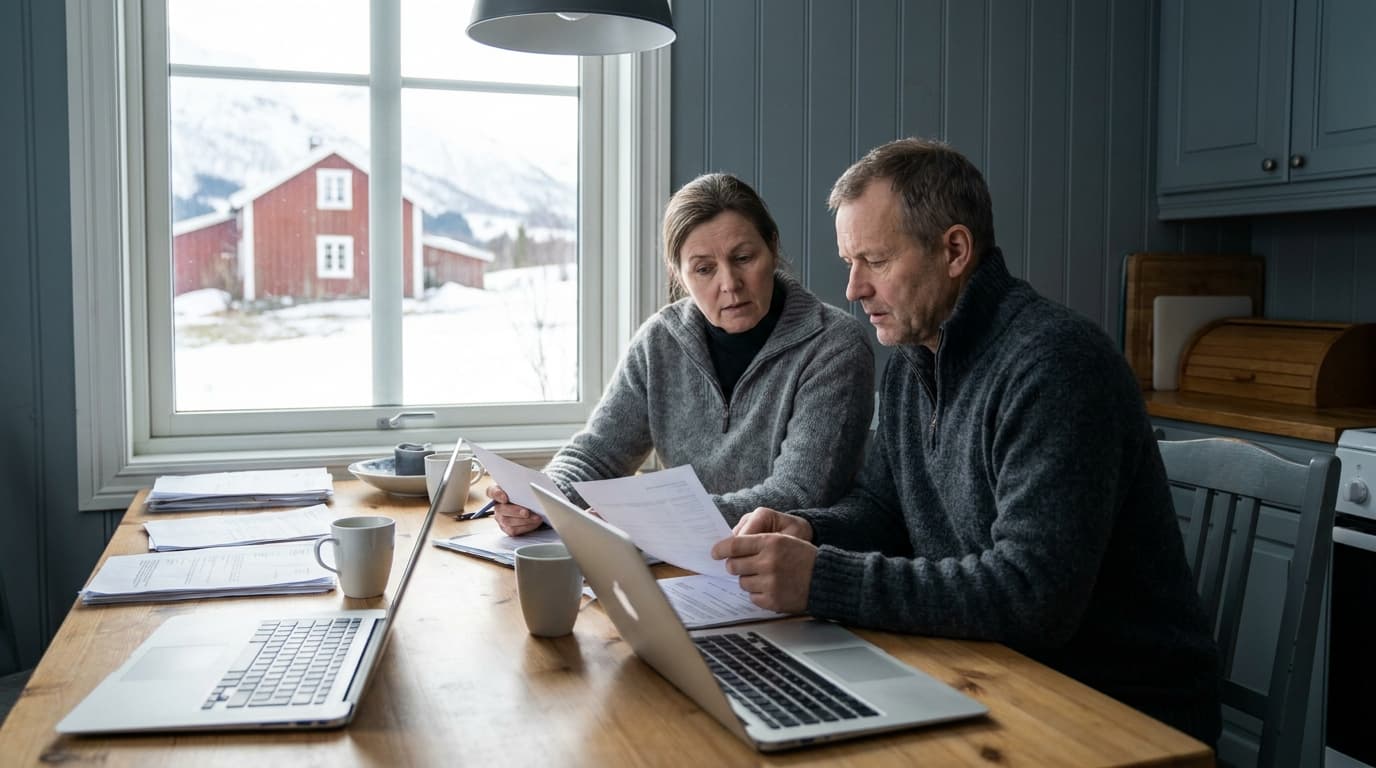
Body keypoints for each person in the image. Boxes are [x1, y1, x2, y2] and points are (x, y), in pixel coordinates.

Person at [710, 138, 1221, 744]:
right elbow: (882, 508)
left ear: (954, 250)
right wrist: (809, 531)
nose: (852, 289)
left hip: (1116, 713)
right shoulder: (912, 361)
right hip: (987, 675)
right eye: (850, 262)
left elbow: (1033, 597)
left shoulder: (1056, 365)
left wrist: (822, 579)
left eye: (873, 260)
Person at [486, 172, 875, 536]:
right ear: (678, 275)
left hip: (787, 577)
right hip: (678, 565)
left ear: (772, 247)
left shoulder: (833, 345)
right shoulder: (660, 341)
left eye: (743, 258)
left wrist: (652, 518)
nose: (730, 284)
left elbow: (799, 494)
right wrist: (542, 497)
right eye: (704, 269)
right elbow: (599, 453)